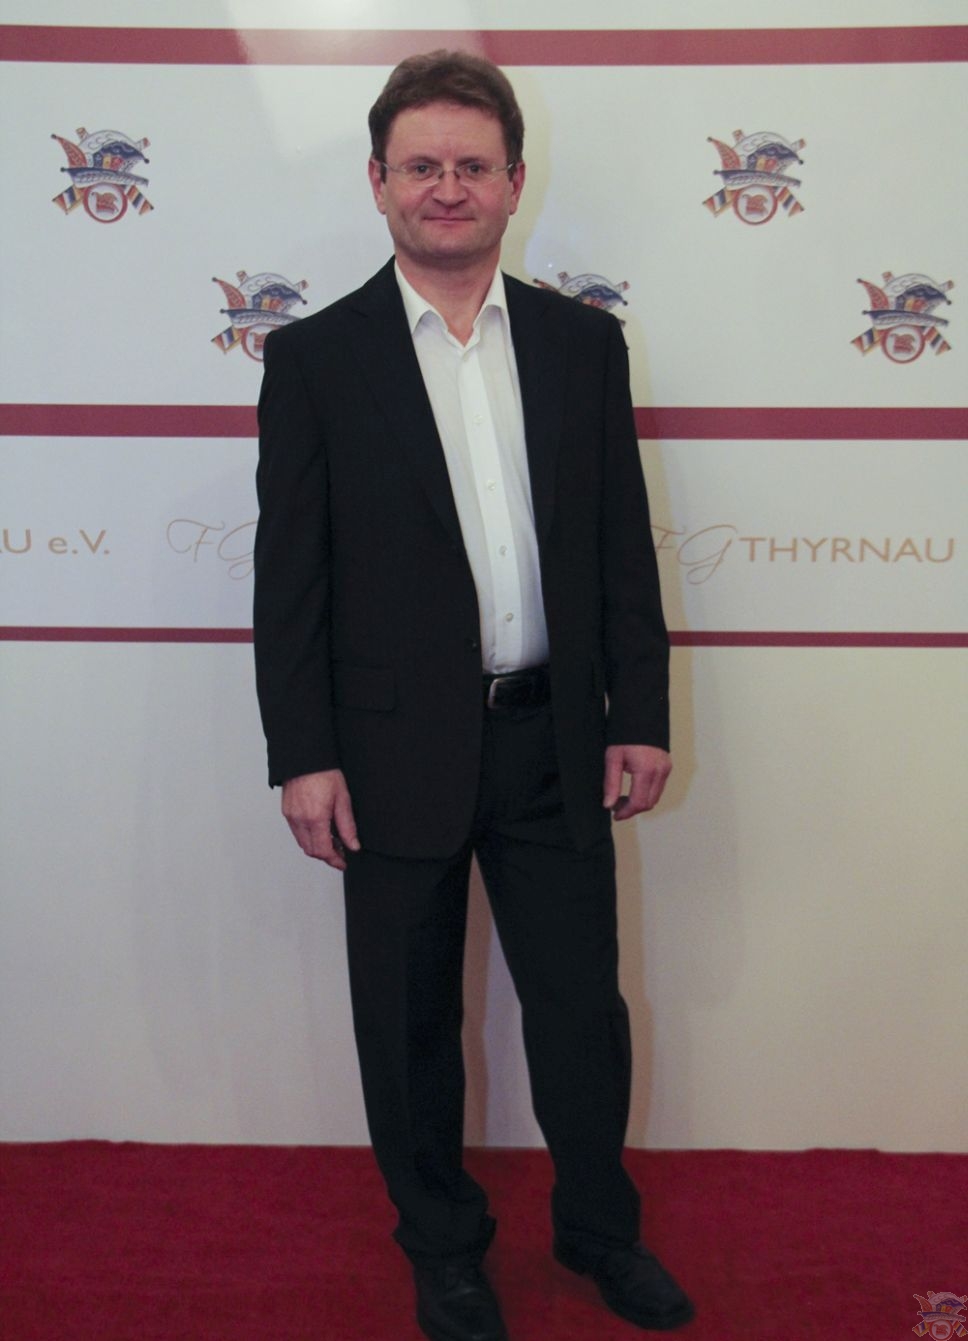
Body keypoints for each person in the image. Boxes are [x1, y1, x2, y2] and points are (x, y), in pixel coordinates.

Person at [254, 49, 693, 1341]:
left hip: (555, 740)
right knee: (407, 1026)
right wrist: (303, 753)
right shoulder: (315, 358)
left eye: (471, 165)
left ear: (512, 182)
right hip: (388, 755)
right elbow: (293, 580)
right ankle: (442, 1249)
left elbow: (620, 547)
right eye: (421, 166)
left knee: (582, 1014)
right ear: (379, 181)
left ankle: (600, 1233)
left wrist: (638, 713)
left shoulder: (581, 345)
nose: (446, 187)